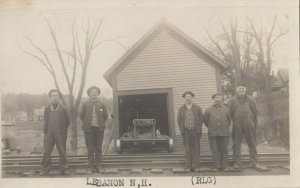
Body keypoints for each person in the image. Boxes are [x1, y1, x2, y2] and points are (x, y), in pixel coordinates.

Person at [228, 82, 268, 170]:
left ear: (245, 89)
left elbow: (255, 112)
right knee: (236, 144)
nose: (241, 90)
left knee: (252, 143)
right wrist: (230, 126)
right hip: (237, 126)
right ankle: (236, 163)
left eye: (243, 88)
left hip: (249, 125)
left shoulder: (251, 100)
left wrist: (254, 124)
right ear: (237, 89)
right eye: (240, 88)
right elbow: (228, 114)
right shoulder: (232, 100)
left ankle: (254, 162)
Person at [41, 89, 70, 175]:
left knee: (62, 151)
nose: (54, 97)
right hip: (49, 133)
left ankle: (64, 168)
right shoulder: (47, 109)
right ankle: (45, 168)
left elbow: (68, 121)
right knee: (47, 151)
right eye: (53, 95)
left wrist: (63, 131)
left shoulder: (63, 109)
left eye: (56, 95)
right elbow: (46, 121)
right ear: (50, 97)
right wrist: (46, 132)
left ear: (59, 97)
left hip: (60, 133)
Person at [80, 86, 108, 174]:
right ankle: (90, 167)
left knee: (99, 148)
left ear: (98, 93)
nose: (94, 93)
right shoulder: (85, 104)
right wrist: (87, 123)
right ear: (89, 94)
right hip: (89, 129)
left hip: (99, 129)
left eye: (95, 92)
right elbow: (82, 115)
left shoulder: (101, 104)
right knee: (90, 148)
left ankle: (99, 166)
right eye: (92, 92)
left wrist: (100, 123)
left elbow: (105, 116)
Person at [177, 91, 203, 172]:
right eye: (186, 97)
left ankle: (196, 166)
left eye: (190, 97)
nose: (188, 98)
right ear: (185, 98)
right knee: (187, 149)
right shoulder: (181, 108)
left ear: (192, 98)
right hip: (186, 131)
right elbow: (179, 120)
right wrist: (182, 130)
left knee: (196, 149)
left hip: (195, 132)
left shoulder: (198, 108)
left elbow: (201, 119)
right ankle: (188, 166)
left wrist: (198, 130)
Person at [204, 93, 231, 172]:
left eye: (219, 97)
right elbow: (205, 121)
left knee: (224, 150)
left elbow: (229, 120)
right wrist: (212, 127)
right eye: (216, 98)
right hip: (213, 134)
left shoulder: (226, 109)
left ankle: (224, 166)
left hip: (224, 133)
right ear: (213, 99)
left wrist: (224, 127)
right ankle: (216, 166)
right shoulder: (208, 109)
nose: (217, 99)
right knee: (214, 150)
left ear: (221, 99)